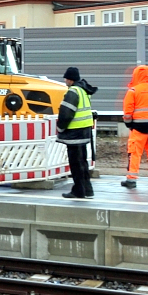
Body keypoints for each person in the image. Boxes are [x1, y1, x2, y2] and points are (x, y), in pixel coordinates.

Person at [57, 66, 97, 199]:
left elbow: (66, 114)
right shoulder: (83, 91)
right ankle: (87, 189)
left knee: (75, 164)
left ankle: (78, 191)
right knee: (82, 162)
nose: (65, 80)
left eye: (66, 78)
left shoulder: (73, 92)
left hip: (74, 133)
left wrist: (60, 128)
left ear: (70, 79)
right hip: (84, 132)